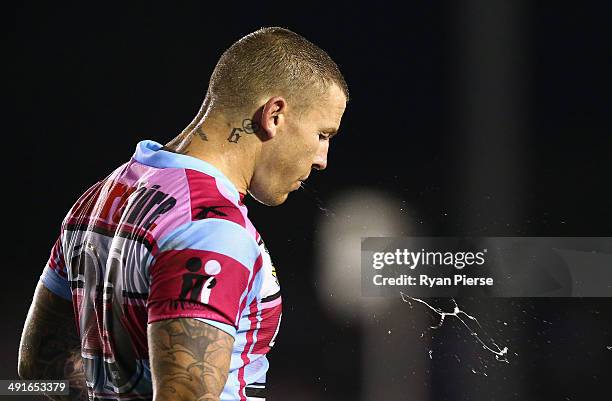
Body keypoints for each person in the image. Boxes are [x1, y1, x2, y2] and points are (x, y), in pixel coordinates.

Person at [17, 26, 348, 401]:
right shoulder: (211, 227)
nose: (322, 160)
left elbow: (40, 362)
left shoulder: (101, 196)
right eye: (323, 135)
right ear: (274, 114)